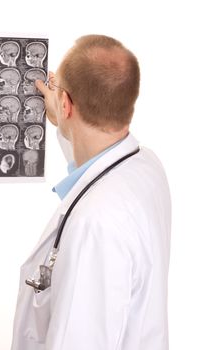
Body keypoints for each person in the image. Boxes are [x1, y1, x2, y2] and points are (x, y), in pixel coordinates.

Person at [11, 35, 171, 350]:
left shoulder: (94, 223)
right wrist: (65, 122)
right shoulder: (147, 165)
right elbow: (94, 162)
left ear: (67, 103)